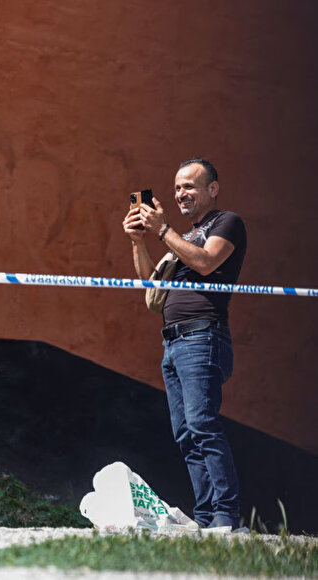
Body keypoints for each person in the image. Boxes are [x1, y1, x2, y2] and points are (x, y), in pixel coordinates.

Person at [122, 158, 247, 530]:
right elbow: (150, 280)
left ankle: (226, 516)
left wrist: (163, 231)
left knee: (203, 425)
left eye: (190, 186)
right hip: (173, 342)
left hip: (202, 336)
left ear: (213, 189)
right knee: (186, 434)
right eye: (177, 187)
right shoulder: (184, 234)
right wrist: (137, 240)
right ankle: (207, 517)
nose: (181, 193)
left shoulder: (226, 223)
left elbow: (207, 263)